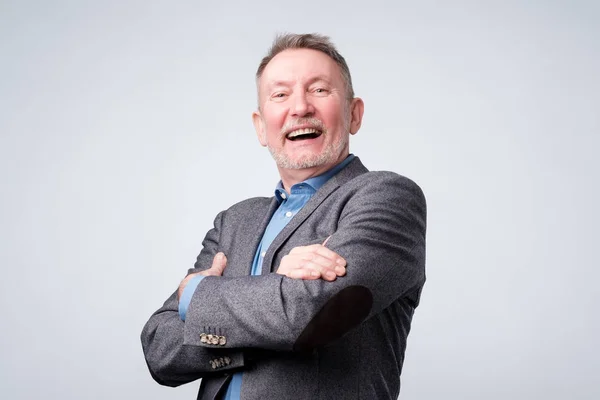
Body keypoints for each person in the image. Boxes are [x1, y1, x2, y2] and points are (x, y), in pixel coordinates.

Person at [141, 33, 427, 400]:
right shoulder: (234, 222)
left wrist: (196, 294)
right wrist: (276, 294)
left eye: (320, 90)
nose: (300, 108)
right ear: (262, 126)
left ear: (354, 114)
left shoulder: (386, 197)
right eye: (280, 95)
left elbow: (306, 315)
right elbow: (159, 348)